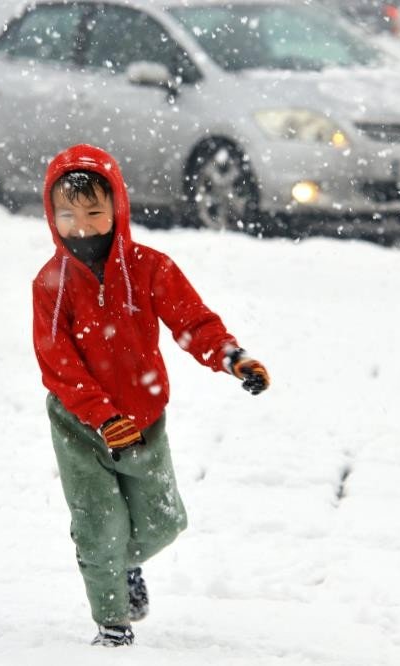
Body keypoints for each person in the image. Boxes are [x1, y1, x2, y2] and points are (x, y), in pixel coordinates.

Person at [32, 144, 271, 647]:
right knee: (99, 524)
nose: (81, 225)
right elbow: (59, 364)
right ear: (52, 217)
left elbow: (192, 321)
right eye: (67, 214)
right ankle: (112, 623)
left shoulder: (149, 268)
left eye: (94, 212)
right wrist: (100, 417)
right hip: (81, 426)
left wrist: (231, 356)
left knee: (164, 522)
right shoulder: (51, 284)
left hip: (144, 421)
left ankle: (123, 563)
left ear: (117, 208)